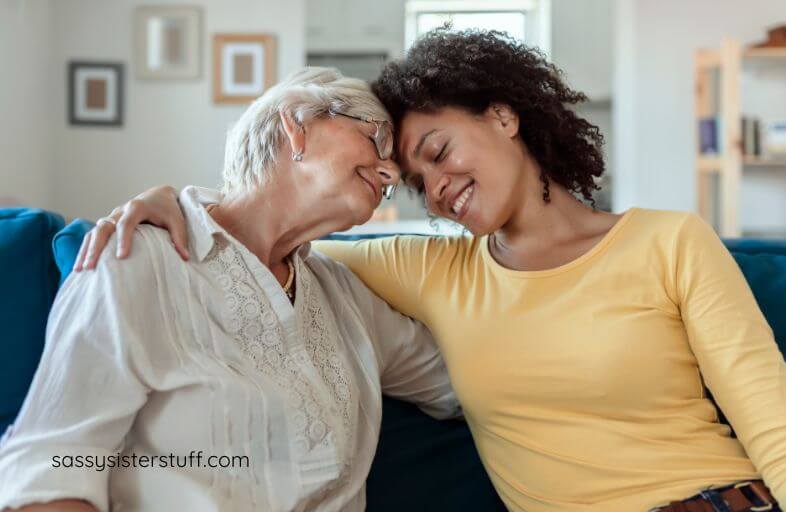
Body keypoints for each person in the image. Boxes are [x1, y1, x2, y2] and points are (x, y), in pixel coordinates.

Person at [75, 29, 786, 512]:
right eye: (415, 179)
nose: (436, 186)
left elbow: (773, 424)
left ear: (505, 117)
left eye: (440, 151)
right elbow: (261, 230)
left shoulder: (671, 243)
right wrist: (170, 198)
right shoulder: (434, 269)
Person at [0, 67, 461, 512]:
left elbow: (462, 384)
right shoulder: (138, 259)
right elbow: (51, 465)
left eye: (397, 172)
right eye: (377, 141)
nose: (391, 176)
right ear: (295, 126)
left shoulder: (346, 296)